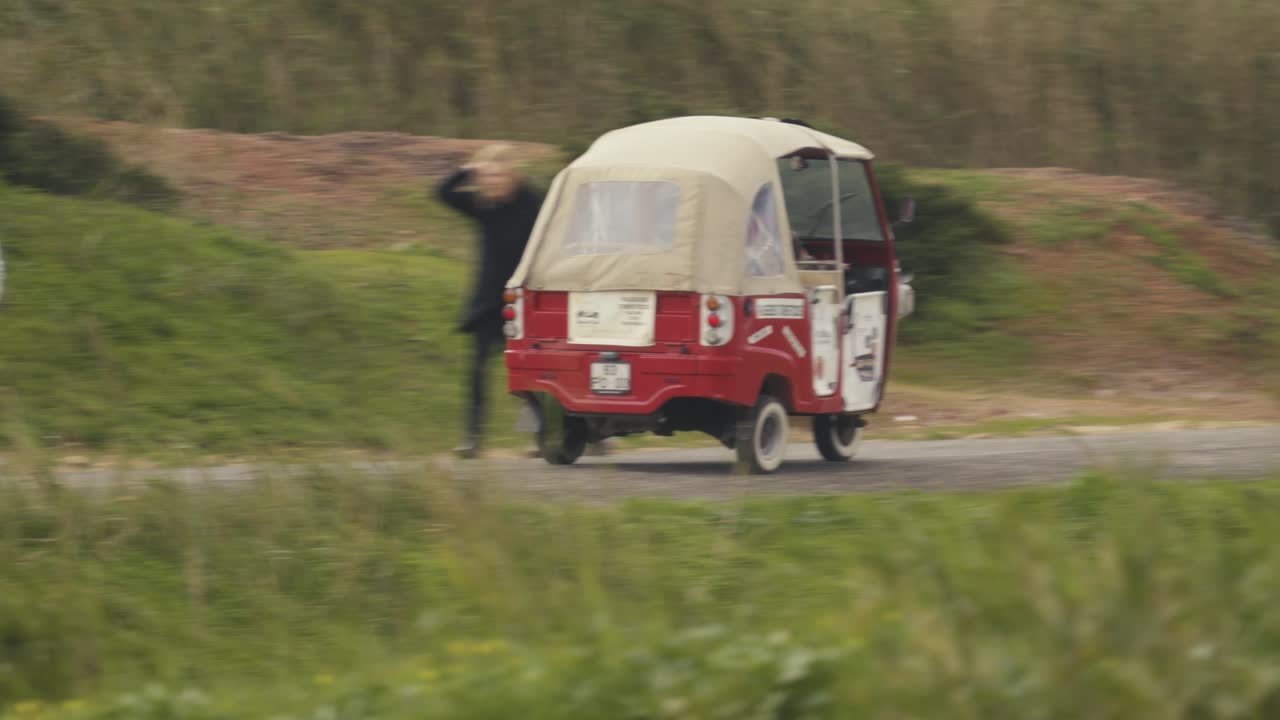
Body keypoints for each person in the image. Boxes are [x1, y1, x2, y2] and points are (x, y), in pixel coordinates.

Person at [437, 144, 542, 458]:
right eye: (488, 177)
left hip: (524, 300)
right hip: (489, 302)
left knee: (534, 372)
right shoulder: (483, 207)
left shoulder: (532, 202)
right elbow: (442, 193)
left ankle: (549, 434)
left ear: (512, 174)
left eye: (499, 175)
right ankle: (473, 437)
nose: (493, 182)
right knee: (478, 369)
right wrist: (467, 171)